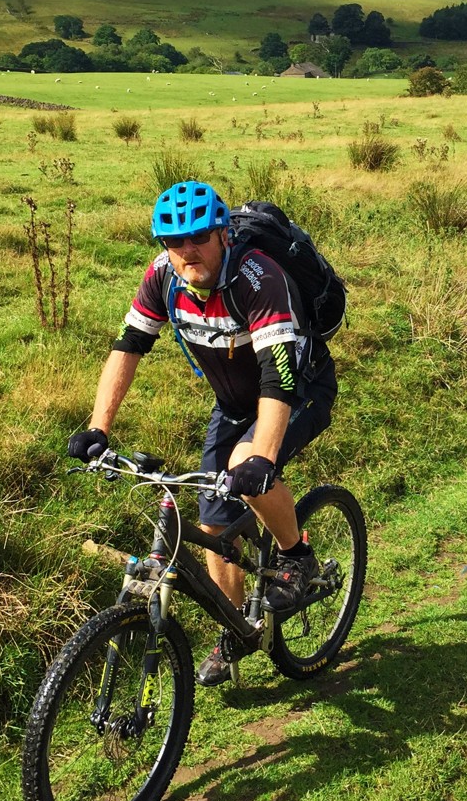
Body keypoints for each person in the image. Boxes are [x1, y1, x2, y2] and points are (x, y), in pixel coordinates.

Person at [67, 181, 337, 686]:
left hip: (299, 389)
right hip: (234, 403)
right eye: (174, 241)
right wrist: (98, 428)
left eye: (198, 237)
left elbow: (277, 376)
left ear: (222, 233)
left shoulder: (259, 279)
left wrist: (261, 458)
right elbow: (128, 346)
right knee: (213, 522)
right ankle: (234, 631)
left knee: (244, 466)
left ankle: (297, 557)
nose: (187, 250)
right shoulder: (164, 277)